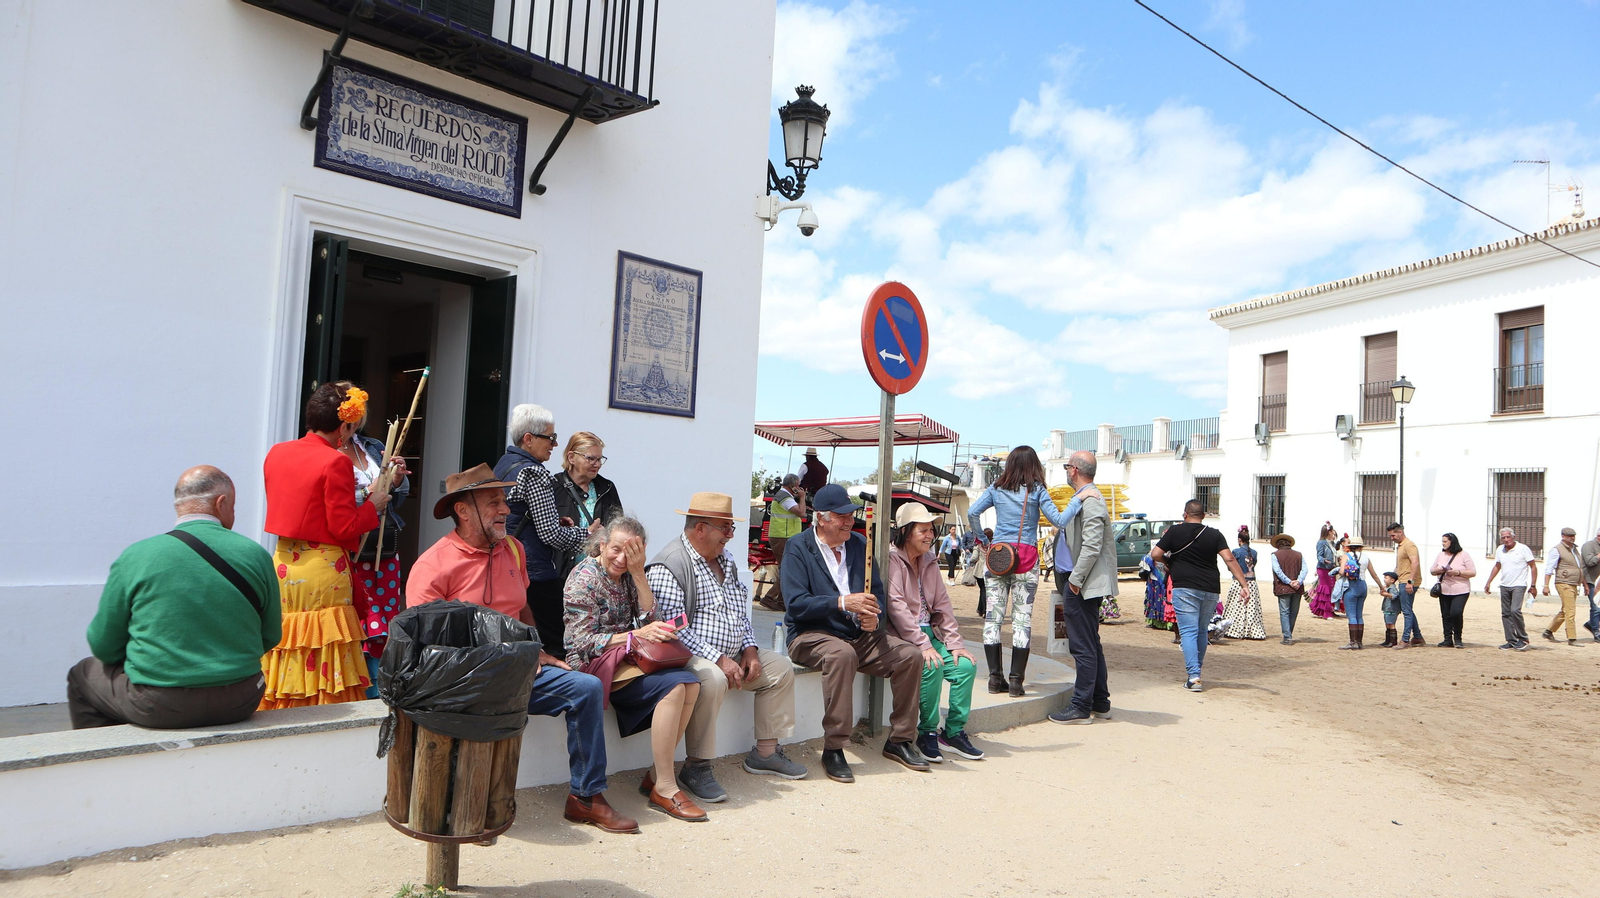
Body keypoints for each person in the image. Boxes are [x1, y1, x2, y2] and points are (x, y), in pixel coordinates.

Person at [405, 464, 638, 834]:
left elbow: (522, 605)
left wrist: (535, 648)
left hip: (520, 671)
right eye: (494, 502)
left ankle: (585, 797)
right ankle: (464, 807)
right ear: (463, 510)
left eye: (504, 500)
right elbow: (426, 643)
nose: (506, 509)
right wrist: (500, 661)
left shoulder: (513, 549)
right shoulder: (433, 564)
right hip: (466, 681)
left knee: (586, 688)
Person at [68, 467, 280, 729]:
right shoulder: (256, 554)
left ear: (179, 505)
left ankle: (106, 753)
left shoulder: (137, 555)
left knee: (82, 674)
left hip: (160, 704)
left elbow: (103, 645)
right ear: (221, 503)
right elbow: (271, 634)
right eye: (234, 507)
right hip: (242, 698)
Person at [646, 492, 806, 805]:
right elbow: (676, 630)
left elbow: (739, 611)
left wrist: (750, 649)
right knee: (712, 678)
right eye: (726, 528)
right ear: (700, 529)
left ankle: (765, 753)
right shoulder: (669, 565)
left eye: (732, 528)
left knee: (779, 668)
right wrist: (719, 659)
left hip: (730, 654)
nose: (731, 535)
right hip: (691, 657)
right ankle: (697, 766)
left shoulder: (726, 559)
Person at [781, 484, 928, 782]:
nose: (849, 521)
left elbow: (878, 595)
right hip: (810, 634)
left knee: (911, 656)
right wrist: (842, 603)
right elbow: (795, 605)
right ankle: (834, 748)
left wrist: (875, 617)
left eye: (850, 514)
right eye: (842, 516)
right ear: (821, 518)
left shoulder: (860, 544)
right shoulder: (798, 547)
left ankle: (900, 740)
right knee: (841, 653)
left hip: (859, 635)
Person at [565, 516, 706, 822]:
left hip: (627, 656)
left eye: (630, 553)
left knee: (691, 683)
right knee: (675, 686)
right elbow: (581, 642)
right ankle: (665, 787)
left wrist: (639, 573)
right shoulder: (584, 578)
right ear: (602, 545)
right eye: (616, 549)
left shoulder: (629, 575)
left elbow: (649, 619)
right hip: (594, 662)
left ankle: (656, 777)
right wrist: (634, 636)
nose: (621, 558)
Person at [260, 383, 388, 708]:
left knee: (290, 643)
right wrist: (373, 505)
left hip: (284, 563)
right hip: (323, 568)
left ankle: (285, 704)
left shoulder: (277, 452)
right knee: (323, 646)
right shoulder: (335, 461)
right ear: (343, 427)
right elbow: (344, 526)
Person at [967, 446, 1081, 697]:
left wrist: (983, 540)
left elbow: (972, 512)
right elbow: (1059, 521)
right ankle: (1016, 682)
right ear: (1034, 466)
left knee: (993, 619)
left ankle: (994, 679)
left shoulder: (996, 488)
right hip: (1026, 560)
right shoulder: (1037, 490)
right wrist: (1077, 500)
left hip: (998, 558)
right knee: (1022, 621)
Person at [885, 502, 985, 761]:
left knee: (965, 666)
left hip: (932, 631)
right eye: (923, 530)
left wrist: (955, 643)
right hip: (903, 636)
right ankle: (927, 732)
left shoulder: (929, 559)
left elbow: (943, 605)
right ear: (906, 531)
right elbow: (896, 607)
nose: (930, 535)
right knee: (932, 665)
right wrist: (923, 644)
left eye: (931, 529)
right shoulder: (891, 558)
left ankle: (953, 732)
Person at [331, 385, 411, 697]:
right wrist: (369, 492)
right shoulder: (327, 453)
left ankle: (379, 687)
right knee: (355, 620)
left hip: (383, 547)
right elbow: (335, 502)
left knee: (383, 622)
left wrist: (396, 481)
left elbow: (395, 500)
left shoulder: (373, 446)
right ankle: (353, 687)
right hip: (349, 548)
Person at [500, 404, 593, 656]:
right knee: (556, 645)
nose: (554, 444)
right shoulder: (534, 472)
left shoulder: (504, 464)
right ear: (529, 438)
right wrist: (588, 535)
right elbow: (550, 534)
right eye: (550, 438)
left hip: (506, 565)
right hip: (535, 572)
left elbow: (515, 514)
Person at [1150, 499, 1249, 692]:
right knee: (1202, 631)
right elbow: (1229, 558)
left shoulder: (1175, 531)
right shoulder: (1214, 534)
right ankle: (1196, 674)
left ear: (1185, 514)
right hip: (1210, 588)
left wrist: (1168, 561)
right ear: (1203, 516)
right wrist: (1243, 584)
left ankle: (1194, 677)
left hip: (1184, 586)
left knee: (1188, 631)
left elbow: (1155, 554)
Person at [1048, 451, 1117, 725]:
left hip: (1082, 585)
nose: (1066, 471)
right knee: (1090, 643)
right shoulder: (1085, 498)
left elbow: (1091, 546)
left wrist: (1075, 582)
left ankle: (1081, 707)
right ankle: (1100, 702)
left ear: (1074, 470)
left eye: (1067, 466)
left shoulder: (1092, 501)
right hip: (1080, 582)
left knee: (1083, 645)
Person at [553, 431, 625, 579]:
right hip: (560, 576)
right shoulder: (554, 486)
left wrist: (605, 535)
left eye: (600, 459)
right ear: (571, 457)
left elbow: (619, 529)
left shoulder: (607, 488)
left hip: (598, 577)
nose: (597, 465)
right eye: (591, 458)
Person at [1484, 527, 1537, 651]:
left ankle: (1523, 638)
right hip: (1505, 585)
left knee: (1515, 610)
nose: (1506, 539)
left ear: (1513, 537)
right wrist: (1489, 581)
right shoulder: (1500, 550)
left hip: (1519, 584)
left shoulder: (1523, 549)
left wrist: (1533, 585)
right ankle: (1511, 640)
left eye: (1508, 537)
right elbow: (1497, 566)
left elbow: (1533, 567)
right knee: (1506, 613)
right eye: (1503, 537)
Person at [1335, 538, 1384, 650]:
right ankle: (1359, 642)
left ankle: (1353, 642)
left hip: (1351, 585)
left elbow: (1341, 572)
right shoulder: (1366, 557)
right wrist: (1381, 587)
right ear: (1361, 547)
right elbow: (1374, 575)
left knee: (1352, 616)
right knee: (1359, 615)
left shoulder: (1346, 556)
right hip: (1362, 585)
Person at [1541, 527, 1585, 646]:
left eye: (1573, 536)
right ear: (1563, 536)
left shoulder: (1575, 550)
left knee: (1566, 609)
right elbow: (1549, 568)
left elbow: (1580, 569)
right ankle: (1572, 638)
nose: (1572, 538)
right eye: (1569, 536)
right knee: (1570, 611)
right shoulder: (1557, 550)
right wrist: (1546, 585)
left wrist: (1585, 585)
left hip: (1573, 583)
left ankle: (1548, 631)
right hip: (1564, 582)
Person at [1430, 533, 1475, 648]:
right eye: (1442, 541)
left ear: (1452, 542)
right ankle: (1447, 639)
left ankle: (1458, 639)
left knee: (1456, 613)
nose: (1443, 544)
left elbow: (1472, 572)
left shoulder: (1464, 555)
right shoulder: (1441, 555)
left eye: (1445, 541)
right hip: (1444, 589)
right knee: (1445, 615)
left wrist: (1458, 572)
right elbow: (1432, 570)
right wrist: (1439, 570)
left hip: (1461, 589)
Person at [1224, 526, 1266, 640]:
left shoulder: (1236, 552)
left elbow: (1231, 567)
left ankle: (1234, 630)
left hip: (1239, 582)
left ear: (1239, 540)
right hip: (1252, 583)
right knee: (1252, 609)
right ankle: (1252, 631)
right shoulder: (1254, 553)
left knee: (1236, 606)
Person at [1387, 523, 1425, 648]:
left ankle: (1405, 639)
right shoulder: (1401, 546)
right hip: (1403, 580)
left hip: (1408, 581)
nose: (1392, 538)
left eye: (1393, 535)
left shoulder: (1409, 545)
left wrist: (1410, 581)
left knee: (1406, 610)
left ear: (1400, 532)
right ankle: (1418, 637)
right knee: (1407, 609)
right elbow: (1400, 566)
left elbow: (1415, 562)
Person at [765, 473, 808, 579]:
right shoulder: (785, 498)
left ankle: (782, 590)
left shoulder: (783, 496)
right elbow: (801, 513)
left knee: (787, 569)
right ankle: (776, 591)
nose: (799, 488)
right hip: (783, 536)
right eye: (798, 486)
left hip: (783, 535)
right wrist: (802, 497)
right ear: (792, 486)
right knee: (787, 569)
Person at [1267, 533, 1305, 645]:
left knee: (1284, 612)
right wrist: (1298, 581)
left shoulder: (1275, 555)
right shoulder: (1299, 555)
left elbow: (1278, 571)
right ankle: (1288, 634)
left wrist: (1289, 582)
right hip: (1297, 587)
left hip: (1283, 587)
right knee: (1293, 612)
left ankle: (1287, 636)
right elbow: (1305, 569)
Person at [1309, 523, 1338, 619]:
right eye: (1332, 531)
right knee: (1326, 589)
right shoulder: (1321, 543)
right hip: (1323, 568)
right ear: (1329, 532)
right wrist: (1323, 560)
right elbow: (1319, 555)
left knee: (1331, 589)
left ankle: (1329, 610)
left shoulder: (1332, 543)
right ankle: (1326, 612)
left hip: (1331, 568)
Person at [1581, 527, 1600, 644]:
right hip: (1591, 580)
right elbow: (1589, 561)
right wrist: (1598, 556)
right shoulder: (1589, 545)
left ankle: (1590, 623)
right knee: (1596, 606)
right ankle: (1596, 632)